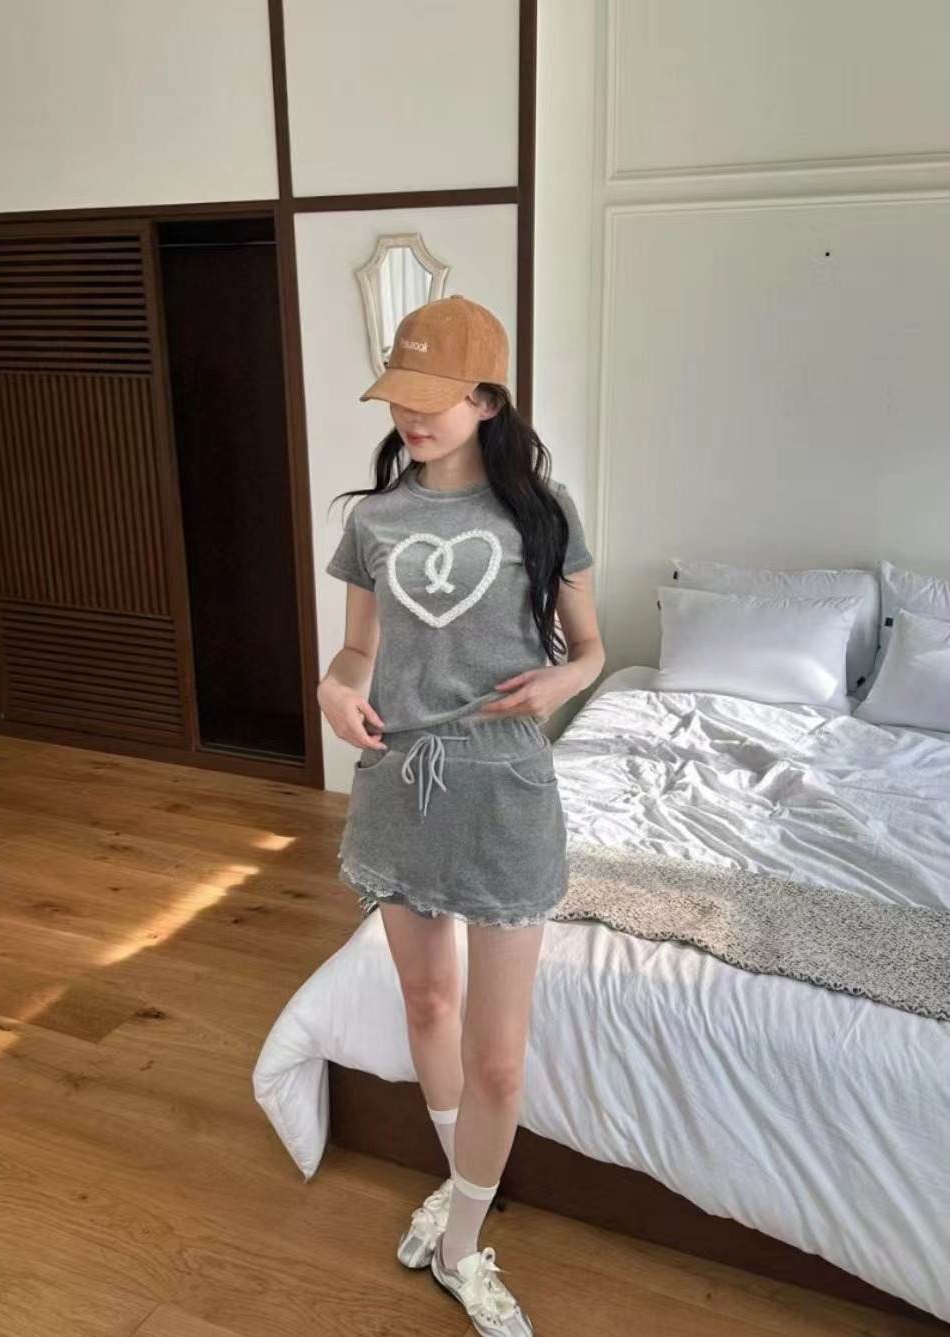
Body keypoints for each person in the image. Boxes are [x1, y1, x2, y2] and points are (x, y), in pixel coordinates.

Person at [318, 295, 605, 1336]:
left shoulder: (543, 512)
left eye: (432, 398)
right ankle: (459, 1190)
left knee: (498, 1055)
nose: (411, 416)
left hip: (505, 786)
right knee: (426, 1001)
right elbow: (360, 648)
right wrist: (333, 684)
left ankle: (459, 1244)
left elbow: (592, 647)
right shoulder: (375, 520)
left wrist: (563, 681)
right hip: (400, 781)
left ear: (486, 400)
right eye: (398, 397)